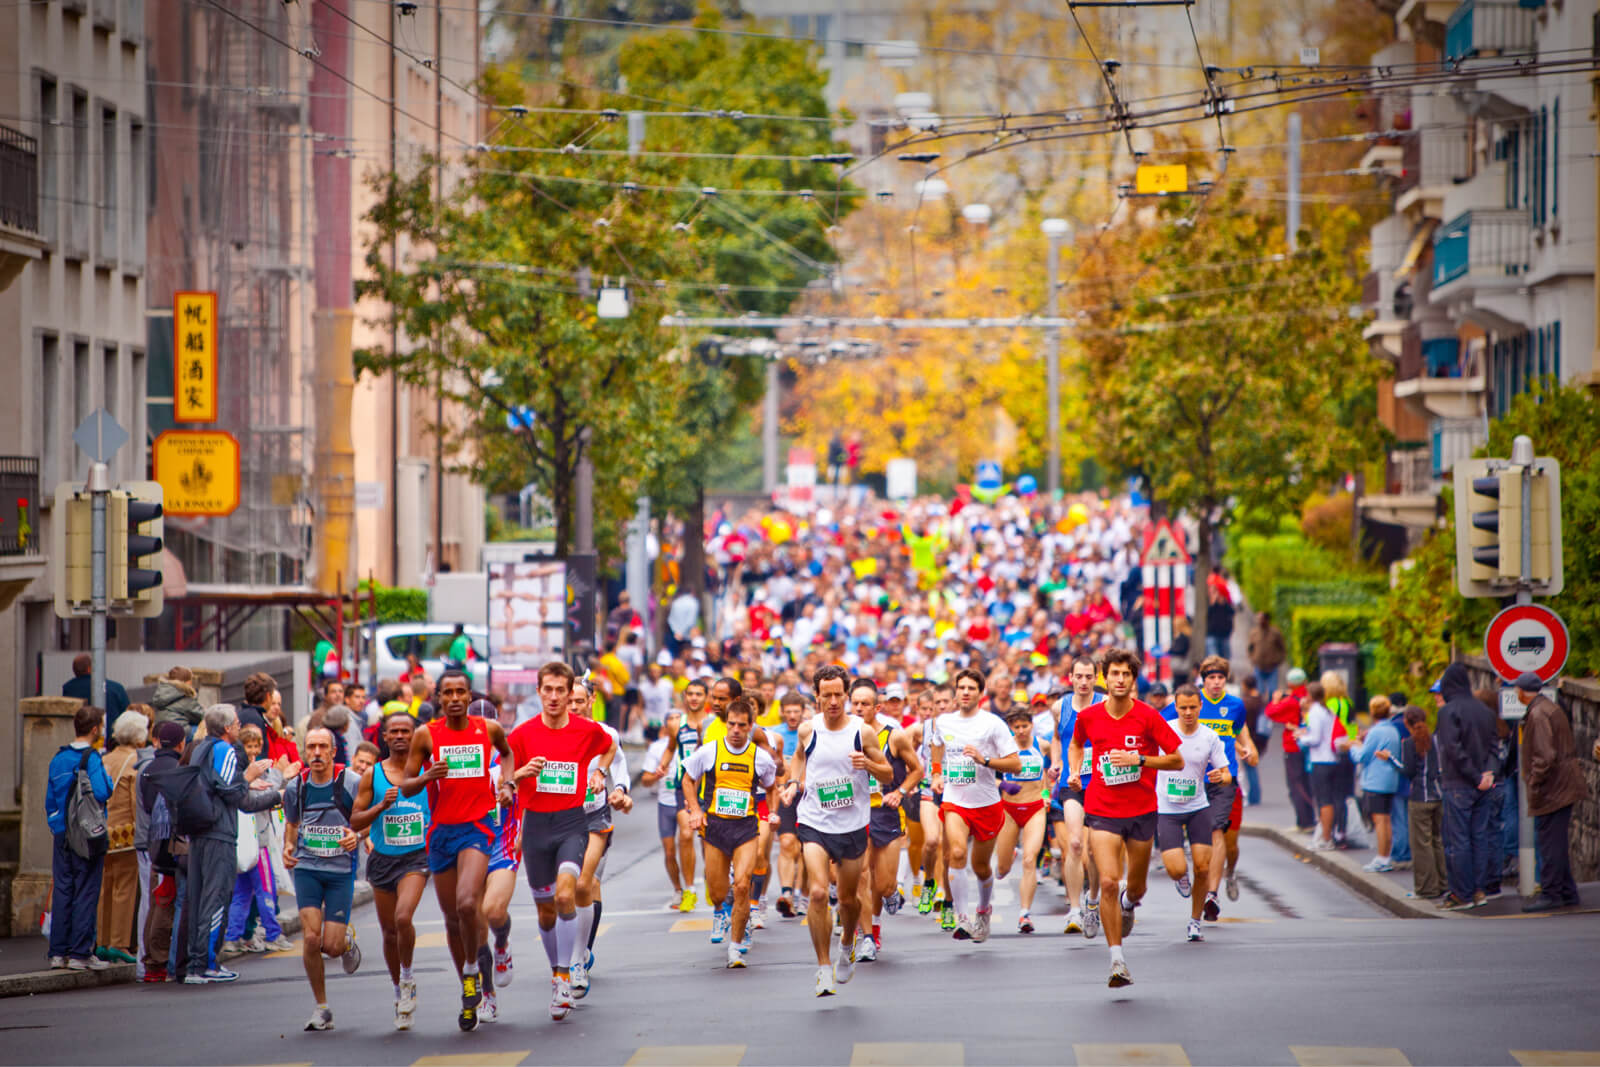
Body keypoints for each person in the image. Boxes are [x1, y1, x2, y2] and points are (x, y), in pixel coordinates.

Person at [399, 669, 514, 1030]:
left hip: (477, 828)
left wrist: (508, 784)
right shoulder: (426, 735)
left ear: (468, 696)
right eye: (446, 692)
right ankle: (467, 980)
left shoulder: (488, 729)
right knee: (452, 917)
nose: (453, 698)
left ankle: (471, 968)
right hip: (441, 832)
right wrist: (426, 778)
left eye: (459, 692)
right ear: (439, 698)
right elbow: (405, 783)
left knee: (468, 902)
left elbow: (507, 755)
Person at [1066, 648, 1183, 988]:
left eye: (1126, 675)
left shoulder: (1147, 716)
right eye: (1114, 674)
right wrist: (1075, 770)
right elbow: (1076, 744)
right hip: (1102, 808)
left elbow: (1176, 759)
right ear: (1105, 676)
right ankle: (1117, 961)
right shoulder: (1089, 716)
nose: (1119, 680)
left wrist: (1139, 760)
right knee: (1107, 881)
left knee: (1136, 885)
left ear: (1133, 679)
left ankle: (1130, 902)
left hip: (1142, 809)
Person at [507, 661, 615, 1021]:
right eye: (547, 690)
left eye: (560, 691)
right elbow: (504, 778)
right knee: (545, 910)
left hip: (572, 823)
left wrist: (598, 771)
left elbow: (609, 745)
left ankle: (564, 976)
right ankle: (557, 969)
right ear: (538, 692)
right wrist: (520, 774)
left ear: (571, 695)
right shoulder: (521, 735)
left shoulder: (587, 730)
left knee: (566, 894)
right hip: (536, 826)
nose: (554, 697)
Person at [785, 663, 894, 997]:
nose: (833, 701)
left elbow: (888, 774)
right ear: (817, 697)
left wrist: (868, 764)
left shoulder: (863, 732)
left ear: (846, 696)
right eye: (826, 695)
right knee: (818, 893)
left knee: (848, 901)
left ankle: (847, 943)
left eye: (838, 695)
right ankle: (822, 967)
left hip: (851, 825)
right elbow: (799, 758)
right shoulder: (808, 729)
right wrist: (792, 782)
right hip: (814, 821)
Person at [184, 704, 282, 984]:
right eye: (237, 723)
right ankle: (207, 964)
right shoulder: (224, 750)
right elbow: (233, 793)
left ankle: (195, 964)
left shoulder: (200, 747)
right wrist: (249, 779)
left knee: (199, 898)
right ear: (227, 728)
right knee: (216, 900)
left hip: (200, 832)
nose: (240, 726)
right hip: (219, 834)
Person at [679, 693, 778, 969]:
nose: (736, 731)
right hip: (715, 828)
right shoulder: (710, 750)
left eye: (742, 726)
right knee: (718, 892)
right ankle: (726, 910)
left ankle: (735, 946)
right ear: (726, 724)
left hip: (746, 827)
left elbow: (771, 787)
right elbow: (687, 779)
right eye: (732, 724)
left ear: (751, 726)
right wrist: (696, 810)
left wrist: (772, 813)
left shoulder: (760, 758)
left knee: (743, 884)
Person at [931, 667, 1024, 943]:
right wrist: (936, 773)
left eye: (971, 688)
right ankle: (962, 918)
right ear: (955, 691)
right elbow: (937, 744)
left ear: (981, 694)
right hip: (955, 800)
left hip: (986, 803)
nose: (965, 693)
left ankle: (983, 911)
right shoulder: (944, 722)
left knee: (981, 866)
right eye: (961, 688)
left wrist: (985, 761)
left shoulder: (992, 724)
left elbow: (1015, 764)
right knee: (956, 852)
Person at [352, 710, 432, 1030]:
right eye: (393, 732)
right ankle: (398, 990)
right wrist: (379, 807)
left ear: (415, 736)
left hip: (416, 858)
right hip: (384, 860)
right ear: (384, 737)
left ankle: (410, 977)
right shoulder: (373, 775)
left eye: (406, 731)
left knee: (403, 918)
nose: (400, 736)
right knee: (388, 933)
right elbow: (355, 820)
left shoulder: (426, 770)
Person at [282, 727, 364, 1031]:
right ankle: (321, 1007)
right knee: (311, 938)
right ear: (305, 752)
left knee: (330, 946)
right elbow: (292, 823)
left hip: (341, 872)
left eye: (322, 747)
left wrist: (357, 835)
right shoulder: (296, 787)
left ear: (332, 751)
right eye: (311, 747)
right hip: (307, 869)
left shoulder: (351, 783)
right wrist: (288, 846)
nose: (316, 753)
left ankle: (345, 943)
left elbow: (368, 819)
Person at [1155, 684, 1230, 943]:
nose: (1188, 712)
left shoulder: (1209, 736)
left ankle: (1195, 920)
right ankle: (1180, 879)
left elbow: (1227, 773)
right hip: (1167, 808)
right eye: (1183, 707)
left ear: (1200, 707)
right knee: (1177, 869)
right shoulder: (1165, 731)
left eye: (1193, 707)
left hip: (1198, 806)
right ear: (1175, 707)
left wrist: (1222, 776)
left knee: (1202, 866)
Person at [857, 678, 923, 958]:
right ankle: (868, 936)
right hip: (856, 814)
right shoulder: (843, 734)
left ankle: (891, 893)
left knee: (882, 884)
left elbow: (917, 770)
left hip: (886, 813)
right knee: (861, 877)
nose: (859, 709)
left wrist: (900, 791)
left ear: (877, 707)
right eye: (855, 704)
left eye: (865, 704)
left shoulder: (893, 735)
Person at [45, 705, 114, 971]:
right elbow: (102, 791)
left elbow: (50, 800)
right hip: (86, 833)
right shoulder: (92, 758)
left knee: (63, 889)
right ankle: (80, 952)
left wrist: (56, 825)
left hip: (62, 831)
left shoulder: (58, 759)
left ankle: (57, 952)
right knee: (86, 889)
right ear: (95, 729)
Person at [1514, 672, 1588, 911]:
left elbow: (1545, 757)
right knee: (1555, 842)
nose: (1515, 694)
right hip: (1562, 785)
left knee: (1549, 844)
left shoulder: (1538, 714)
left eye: (1517, 690)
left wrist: (1534, 782)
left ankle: (1552, 894)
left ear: (1523, 692)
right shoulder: (1548, 708)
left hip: (1553, 788)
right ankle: (1566, 892)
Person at [221, 725, 294, 955]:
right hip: (256, 840)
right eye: (248, 746)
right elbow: (261, 797)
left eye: (256, 746)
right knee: (265, 890)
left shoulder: (249, 770)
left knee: (243, 892)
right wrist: (279, 778)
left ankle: (233, 937)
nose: (253, 752)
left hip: (246, 840)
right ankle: (273, 934)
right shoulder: (244, 773)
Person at [1194, 656, 1258, 920]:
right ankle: (1211, 892)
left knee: (1230, 842)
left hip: (1227, 779)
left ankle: (1229, 873)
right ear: (1203, 680)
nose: (1217, 683)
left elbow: (1238, 730)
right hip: (1197, 779)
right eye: (1211, 678)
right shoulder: (1191, 703)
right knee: (1211, 835)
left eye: (1221, 678)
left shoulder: (1235, 705)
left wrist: (1248, 748)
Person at [1432, 664, 1498, 909]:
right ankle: (1480, 889)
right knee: (1479, 837)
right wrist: (1487, 774)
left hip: (1459, 783)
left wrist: (1473, 776)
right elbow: (1494, 746)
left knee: (1457, 840)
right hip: (1484, 784)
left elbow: (1453, 749)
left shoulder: (1448, 711)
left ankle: (1461, 893)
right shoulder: (1484, 710)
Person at [1048, 655, 1102, 937]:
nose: (1083, 682)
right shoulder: (1060, 706)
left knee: (1094, 850)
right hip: (1072, 782)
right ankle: (1074, 908)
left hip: (1100, 783)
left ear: (1096, 678)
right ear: (1071, 677)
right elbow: (1058, 737)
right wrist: (1056, 763)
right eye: (1078, 676)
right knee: (1076, 844)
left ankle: (1093, 901)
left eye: (1088, 677)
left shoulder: (1105, 705)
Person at [97, 710, 148, 961]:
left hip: (103, 830)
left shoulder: (106, 758)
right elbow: (135, 801)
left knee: (104, 886)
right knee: (125, 888)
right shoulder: (135, 761)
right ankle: (119, 942)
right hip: (126, 834)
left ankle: (101, 940)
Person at [995, 708, 1047, 934]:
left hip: (1035, 808)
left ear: (1031, 725)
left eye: (1024, 726)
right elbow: (988, 775)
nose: (1021, 731)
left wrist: (1046, 796)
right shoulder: (1004, 749)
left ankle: (1024, 914)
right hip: (1009, 810)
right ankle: (1008, 855)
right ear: (1010, 729)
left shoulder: (1042, 745)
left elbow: (1052, 771)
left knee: (1029, 860)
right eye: (1016, 727)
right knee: (1002, 869)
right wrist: (1002, 785)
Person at [1350, 696, 1403, 873]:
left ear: (1372, 712)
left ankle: (1382, 858)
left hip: (1375, 780)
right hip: (1390, 779)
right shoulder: (1392, 729)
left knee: (1379, 820)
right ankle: (1385, 856)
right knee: (1386, 820)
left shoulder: (1375, 731)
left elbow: (1362, 757)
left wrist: (1353, 745)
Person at [640, 709, 687, 908]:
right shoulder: (657, 748)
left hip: (687, 803)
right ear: (665, 724)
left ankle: (698, 885)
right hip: (666, 804)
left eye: (678, 719)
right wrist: (658, 774)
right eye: (671, 719)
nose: (674, 722)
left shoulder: (691, 743)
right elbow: (645, 781)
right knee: (669, 852)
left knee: (691, 844)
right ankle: (678, 890)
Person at [1398, 706, 1446, 902]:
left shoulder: (1409, 743)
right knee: (1438, 841)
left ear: (1406, 723)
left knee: (1421, 845)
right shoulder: (1437, 739)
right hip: (1439, 797)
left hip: (1419, 798)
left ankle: (1426, 888)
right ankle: (1444, 883)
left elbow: (1408, 771)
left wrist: (1390, 760)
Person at [1267, 668, 1314, 831]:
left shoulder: (1291, 700)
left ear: (1289, 683)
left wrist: (1275, 699)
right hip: (1310, 745)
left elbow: (1271, 713)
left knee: (1296, 784)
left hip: (1293, 745)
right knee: (1307, 783)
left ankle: (1304, 822)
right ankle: (1311, 818)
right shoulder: (1310, 697)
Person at [63, 655, 129, 721]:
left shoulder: (68, 688)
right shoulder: (116, 688)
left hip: (79, 730)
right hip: (110, 730)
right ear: (90, 668)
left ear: (74, 670)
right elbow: (129, 715)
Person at [1247, 612, 1286, 698]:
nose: (1259, 621)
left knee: (1272, 691)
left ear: (1267, 620)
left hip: (1272, 666)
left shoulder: (1275, 633)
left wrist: (1278, 660)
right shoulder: (1254, 632)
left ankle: (1271, 708)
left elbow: (1282, 647)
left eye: (1261, 619)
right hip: (1259, 665)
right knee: (1259, 691)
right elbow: (1250, 647)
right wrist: (1252, 658)